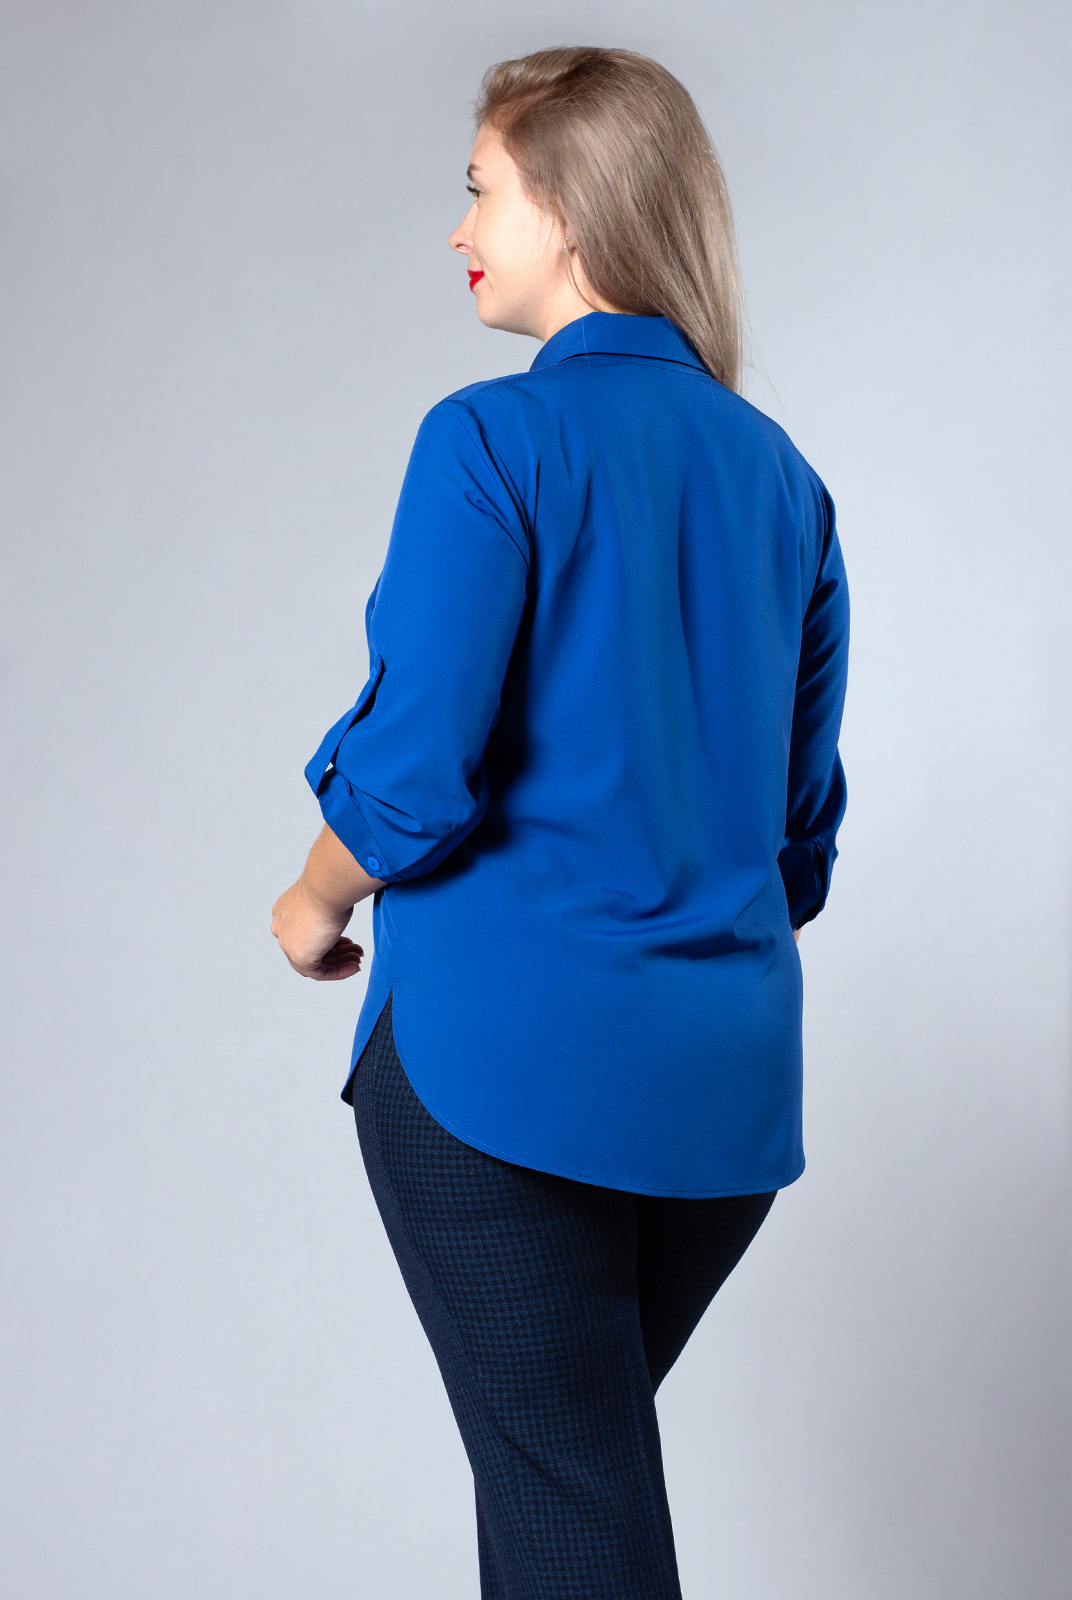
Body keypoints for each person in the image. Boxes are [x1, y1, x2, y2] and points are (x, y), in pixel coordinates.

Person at [271, 44, 848, 1600]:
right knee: (559, 1496)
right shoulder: (785, 481)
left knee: (567, 1507)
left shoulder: (490, 441)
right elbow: (796, 839)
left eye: (483, 190)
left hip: (497, 1078)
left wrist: (311, 900)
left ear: (574, 209)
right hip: (719, 1105)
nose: (459, 228)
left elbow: (412, 778)